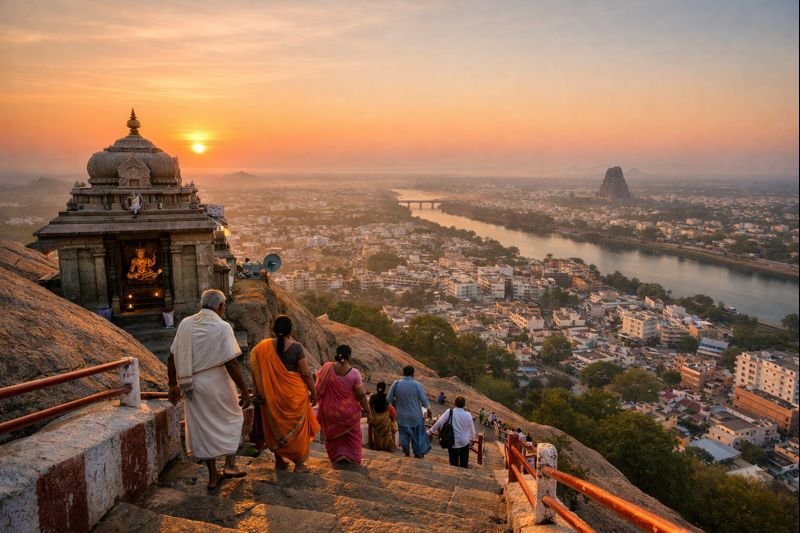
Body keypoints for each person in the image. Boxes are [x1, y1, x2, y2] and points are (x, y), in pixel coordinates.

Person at [168, 289, 251, 490]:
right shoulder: (222, 327)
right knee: (234, 418)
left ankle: (213, 477)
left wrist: (172, 385)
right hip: (217, 382)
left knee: (203, 429)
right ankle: (229, 465)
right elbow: (232, 362)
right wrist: (244, 390)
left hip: (192, 384)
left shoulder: (186, 324)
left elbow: (172, 357)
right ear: (221, 307)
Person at [250, 315, 319, 473]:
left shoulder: (262, 347)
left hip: (271, 396)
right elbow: (306, 373)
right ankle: (299, 464)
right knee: (297, 429)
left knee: (275, 426)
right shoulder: (296, 348)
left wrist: (256, 391)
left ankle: (279, 461)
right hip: (293, 396)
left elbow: (256, 370)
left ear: (273, 330)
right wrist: (314, 392)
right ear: (290, 330)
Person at [315, 345, 372, 464]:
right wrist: (368, 412)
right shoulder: (354, 373)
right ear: (349, 356)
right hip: (348, 414)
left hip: (329, 412)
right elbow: (361, 396)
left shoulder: (327, 367)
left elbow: (318, 387)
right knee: (352, 435)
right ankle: (351, 457)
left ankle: (336, 456)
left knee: (333, 437)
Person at [387, 365, 431, 458]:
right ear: (413, 374)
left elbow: (388, 399)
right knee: (417, 435)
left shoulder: (396, 384)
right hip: (415, 416)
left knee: (403, 434)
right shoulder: (417, 385)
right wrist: (426, 406)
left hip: (401, 415)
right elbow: (425, 402)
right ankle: (417, 453)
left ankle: (406, 452)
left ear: (403, 373)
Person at [427, 396, 476, 468]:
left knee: (453, 463)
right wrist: (473, 439)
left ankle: (455, 470)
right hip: (464, 441)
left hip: (452, 441)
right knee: (464, 462)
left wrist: (430, 431)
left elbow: (439, 422)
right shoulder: (468, 415)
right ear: (464, 405)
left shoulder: (450, 412)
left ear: (455, 403)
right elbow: (472, 429)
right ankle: (463, 471)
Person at [368, 382, 397, 452]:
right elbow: (391, 407)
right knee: (386, 434)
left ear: (377, 388)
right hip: (385, 419)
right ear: (384, 389)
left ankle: (377, 446)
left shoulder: (372, 397)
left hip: (376, 419)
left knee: (377, 434)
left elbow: (370, 408)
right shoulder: (387, 397)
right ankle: (387, 447)